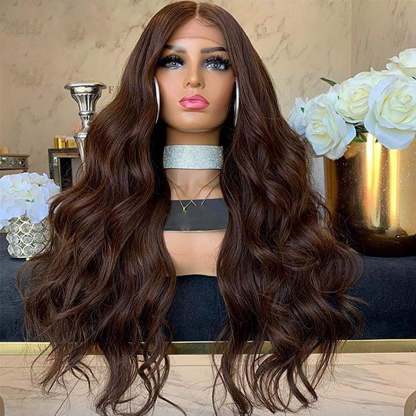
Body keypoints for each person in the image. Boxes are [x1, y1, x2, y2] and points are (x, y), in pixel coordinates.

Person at [17, 2, 364, 415]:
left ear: (240, 81)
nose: (194, 79)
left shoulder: (269, 215)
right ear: (148, 76)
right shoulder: (113, 214)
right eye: (172, 61)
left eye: (216, 63)